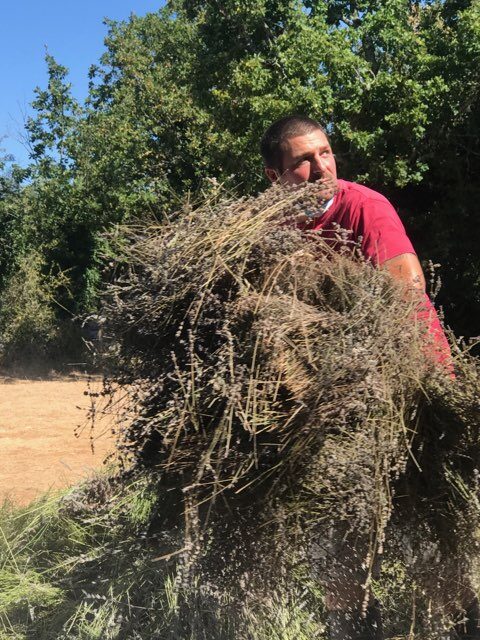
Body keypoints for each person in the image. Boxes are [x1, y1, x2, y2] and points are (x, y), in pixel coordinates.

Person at [259, 116, 475, 640]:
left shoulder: (364, 206)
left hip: (412, 384)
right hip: (335, 400)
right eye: (303, 162)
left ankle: (461, 624)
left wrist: (365, 375)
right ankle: (352, 626)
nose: (320, 168)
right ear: (274, 176)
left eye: (326, 153)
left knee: (424, 524)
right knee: (336, 532)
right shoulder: (271, 231)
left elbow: (405, 289)